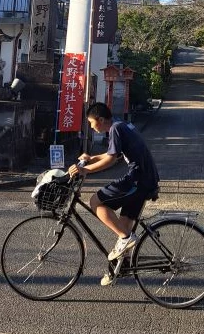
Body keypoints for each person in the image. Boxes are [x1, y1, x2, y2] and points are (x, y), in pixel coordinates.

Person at [68, 101, 159, 285]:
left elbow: (110, 160)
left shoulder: (116, 129)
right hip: (146, 178)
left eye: (92, 123)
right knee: (122, 225)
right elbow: (114, 153)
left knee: (95, 202)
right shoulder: (120, 125)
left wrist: (86, 170)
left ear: (100, 119)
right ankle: (121, 266)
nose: (92, 127)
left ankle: (127, 238)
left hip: (137, 179)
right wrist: (91, 158)